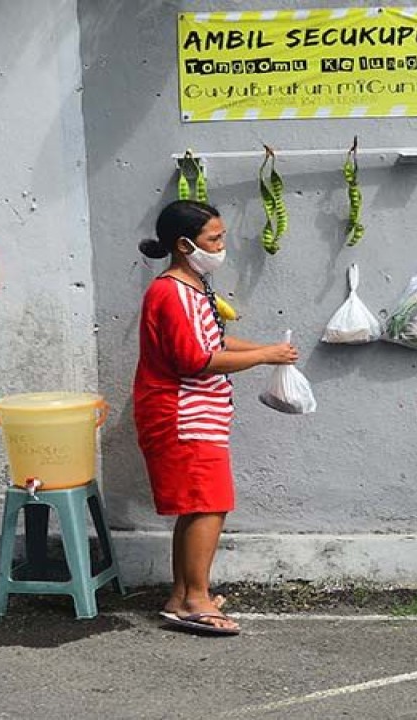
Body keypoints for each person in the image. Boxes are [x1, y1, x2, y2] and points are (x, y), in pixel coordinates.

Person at [133, 200, 298, 635]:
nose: (222, 245)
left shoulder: (191, 286)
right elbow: (194, 359)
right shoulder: (171, 292)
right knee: (209, 504)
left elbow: (216, 338)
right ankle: (195, 600)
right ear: (185, 245)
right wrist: (265, 355)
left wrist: (267, 352)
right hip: (181, 414)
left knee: (198, 507)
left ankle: (183, 594)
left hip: (195, 414)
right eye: (214, 239)